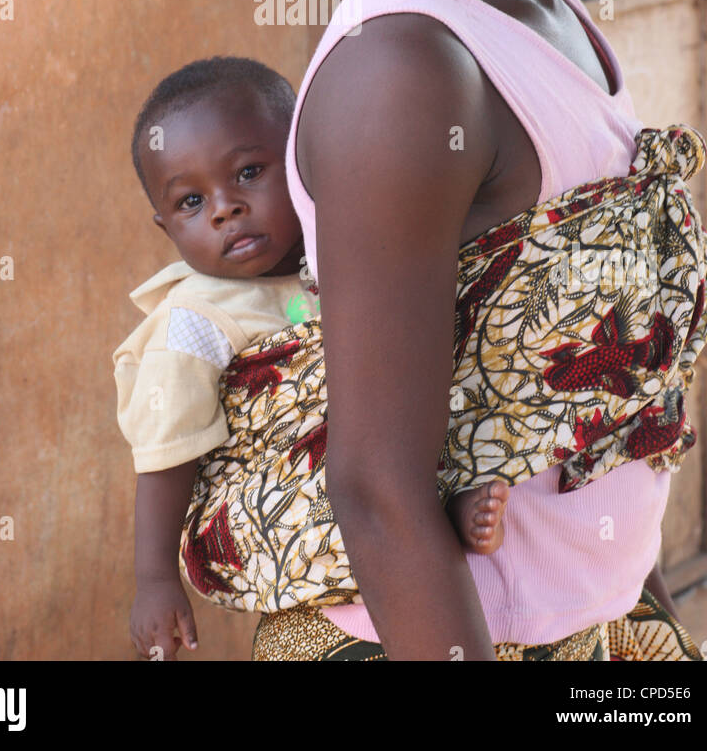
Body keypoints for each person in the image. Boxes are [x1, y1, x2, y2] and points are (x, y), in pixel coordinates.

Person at [247, 0, 707, 661]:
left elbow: (591, 390)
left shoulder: (557, 17)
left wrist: (642, 610)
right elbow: (376, 487)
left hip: (587, 617)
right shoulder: (411, 71)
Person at [116, 54, 507, 661]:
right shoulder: (195, 320)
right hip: (287, 515)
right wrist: (155, 579)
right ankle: (441, 514)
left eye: (249, 171)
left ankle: (448, 502)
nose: (224, 208)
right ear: (164, 226)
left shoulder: (343, 249)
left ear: (305, 164)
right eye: (191, 203)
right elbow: (167, 452)